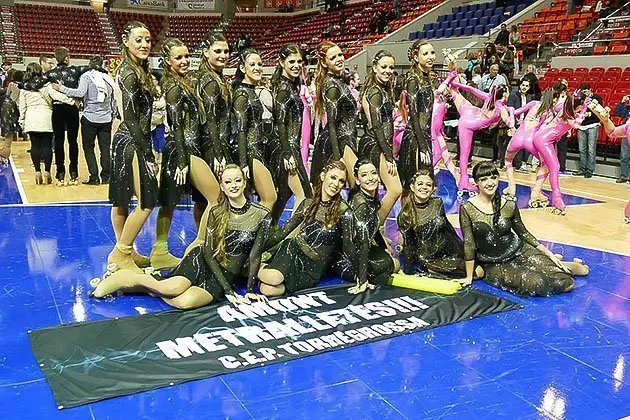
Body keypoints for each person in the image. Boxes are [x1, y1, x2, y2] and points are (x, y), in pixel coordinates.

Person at [90, 165, 271, 309]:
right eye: (228, 182)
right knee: (172, 289)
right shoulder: (216, 212)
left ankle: (147, 286)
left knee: (185, 302)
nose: (234, 185)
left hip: (225, 275)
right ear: (222, 186)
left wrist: (249, 290)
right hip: (203, 262)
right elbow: (207, 253)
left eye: (238, 180)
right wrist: (228, 291)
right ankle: (131, 278)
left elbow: (255, 254)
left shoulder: (261, 214)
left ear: (244, 183)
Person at [458, 162, 589, 296]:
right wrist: (469, 277)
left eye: (493, 177)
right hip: (494, 263)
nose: (490, 182)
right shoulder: (467, 208)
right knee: (538, 282)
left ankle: (560, 263)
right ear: (476, 182)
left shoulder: (509, 204)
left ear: (498, 178)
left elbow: (523, 233)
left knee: (566, 282)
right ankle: (564, 264)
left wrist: (548, 254)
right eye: (484, 179)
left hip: (519, 251)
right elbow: (469, 244)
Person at [153, 38, 221, 270]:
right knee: (213, 198)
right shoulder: (172, 86)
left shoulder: (184, 82)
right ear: (167, 61)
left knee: (172, 202)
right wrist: (183, 160)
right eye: (178, 57)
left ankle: (166, 249)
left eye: (186, 57)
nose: (184, 61)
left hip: (190, 149)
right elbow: (176, 125)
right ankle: (197, 246)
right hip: (182, 151)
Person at [258, 160, 354, 296]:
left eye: (341, 181)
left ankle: (257, 270)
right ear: (322, 176)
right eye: (333, 177)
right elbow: (283, 232)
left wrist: (362, 279)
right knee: (274, 278)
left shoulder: (344, 210)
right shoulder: (308, 204)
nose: (336, 184)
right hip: (293, 250)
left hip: (314, 269)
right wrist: (257, 249)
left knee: (268, 289)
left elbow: (349, 245)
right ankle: (254, 267)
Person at [108, 21, 160, 273]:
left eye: (148, 40)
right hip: (132, 141)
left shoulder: (138, 70)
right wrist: (147, 152)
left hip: (127, 139)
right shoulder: (129, 73)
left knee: (121, 202)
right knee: (147, 200)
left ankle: (128, 251)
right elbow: (130, 116)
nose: (144, 44)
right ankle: (121, 253)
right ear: (126, 42)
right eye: (139, 39)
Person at [398, 169, 484, 279]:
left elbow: (448, 229)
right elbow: (409, 245)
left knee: (479, 268)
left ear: (433, 188)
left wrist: (464, 250)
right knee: (477, 272)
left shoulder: (437, 202)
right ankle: (433, 270)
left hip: (450, 250)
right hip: (431, 257)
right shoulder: (405, 214)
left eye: (428, 185)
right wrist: (408, 271)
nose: (424, 187)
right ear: (412, 187)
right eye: (420, 184)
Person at [331, 160, 399, 293]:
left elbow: (373, 225)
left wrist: (383, 247)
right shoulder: (361, 204)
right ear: (357, 180)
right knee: (395, 264)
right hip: (347, 259)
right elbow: (361, 242)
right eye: (364, 175)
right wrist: (362, 280)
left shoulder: (370, 198)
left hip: (358, 251)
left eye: (373, 173)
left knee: (390, 258)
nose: (370, 178)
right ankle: (367, 277)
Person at [444, 72, 515, 195]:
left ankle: (451, 80)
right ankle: (464, 182)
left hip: (470, 111)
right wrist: (512, 112)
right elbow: (510, 124)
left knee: (455, 91)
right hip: (468, 124)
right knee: (465, 155)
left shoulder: (489, 97)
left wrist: (455, 83)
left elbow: (471, 89)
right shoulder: (501, 109)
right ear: (505, 94)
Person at [53, 55, 117, 185]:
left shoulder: (86, 76)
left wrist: (61, 88)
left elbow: (80, 93)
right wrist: (112, 114)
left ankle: (94, 177)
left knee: (89, 148)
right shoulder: (109, 78)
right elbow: (114, 99)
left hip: (90, 117)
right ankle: (106, 176)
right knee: (105, 149)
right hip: (106, 118)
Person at [270, 44, 313, 222]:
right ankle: (290, 238)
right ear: (282, 62)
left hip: (290, 146)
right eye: (292, 62)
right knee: (305, 196)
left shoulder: (291, 86)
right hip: (285, 149)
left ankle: (268, 233)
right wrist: (287, 153)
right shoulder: (283, 88)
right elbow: (279, 122)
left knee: (283, 196)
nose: (297, 65)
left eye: (299, 61)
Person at [358, 50, 402, 221]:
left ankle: (375, 232)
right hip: (376, 144)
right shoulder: (375, 92)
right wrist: (389, 155)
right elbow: (376, 126)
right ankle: (375, 229)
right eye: (384, 67)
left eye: (391, 67)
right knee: (395, 189)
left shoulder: (381, 89)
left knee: (373, 193)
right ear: (375, 67)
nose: (388, 71)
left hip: (379, 143)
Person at [530, 92, 591, 214]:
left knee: (546, 167)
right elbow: (576, 125)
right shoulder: (568, 113)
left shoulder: (564, 107)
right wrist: (584, 110)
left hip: (541, 136)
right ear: (578, 106)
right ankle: (557, 198)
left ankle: (535, 192)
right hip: (545, 140)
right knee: (555, 167)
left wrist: (581, 109)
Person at [232, 48, 277, 210]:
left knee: (250, 202)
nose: (257, 67)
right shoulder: (242, 94)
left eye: (260, 64)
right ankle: (258, 235)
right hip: (249, 152)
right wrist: (243, 163)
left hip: (256, 150)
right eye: (252, 64)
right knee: (270, 197)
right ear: (243, 68)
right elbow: (241, 130)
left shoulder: (251, 91)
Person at [194, 32, 232, 228]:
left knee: (204, 199)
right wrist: (218, 153)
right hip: (213, 144)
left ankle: (209, 241)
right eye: (217, 51)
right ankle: (209, 242)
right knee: (216, 199)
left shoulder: (216, 77)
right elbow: (211, 120)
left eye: (226, 51)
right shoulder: (210, 81)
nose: (223, 55)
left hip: (213, 142)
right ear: (205, 53)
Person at [312, 41, 359, 186]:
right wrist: (338, 157)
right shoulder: (332, 85)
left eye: (340, 55)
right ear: (325, 63)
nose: (339, 59)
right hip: (340, 141)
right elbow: (331, 123)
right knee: (355, 187)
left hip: (346, 139)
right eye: (333, 57)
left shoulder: (338, 81)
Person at [19, 63, 74, 185]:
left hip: (31, 117)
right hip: (46, 117)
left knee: (35, 146)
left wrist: (21, 121)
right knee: (47, 146)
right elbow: (57, 96)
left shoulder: (24, 88)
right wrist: (70, 101)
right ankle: (47, 171)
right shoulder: (46, 85)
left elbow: (22, 107)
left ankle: (37, 171)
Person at [398, 40, 437, 193]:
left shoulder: (426, 78)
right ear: (415, 57)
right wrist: (422, 145)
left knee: (427, 185)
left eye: (432, 52)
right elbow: (413, 114)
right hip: (415, 138)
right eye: (425, 53)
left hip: (424, 136)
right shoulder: (413, 79)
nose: (430, 56)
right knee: (415, 185)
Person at [576, 83, 603, 178]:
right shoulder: (580, 98)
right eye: (583, 92)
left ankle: (589, 170)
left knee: (591, 149)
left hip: (593, 125)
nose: (584, 93)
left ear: (590, 89)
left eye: (586, 91)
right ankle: (582, 169)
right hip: (581, 126)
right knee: (582, 149)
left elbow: (600, 111)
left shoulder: (597, 98)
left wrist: (589, 114)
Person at [507, 78, 534, 170]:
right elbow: (510, 110)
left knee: (527, 144)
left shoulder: (529, 97)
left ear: (529, 87)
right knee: (517, 144)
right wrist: (513, 123)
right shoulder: (513, 95)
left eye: (526, 86)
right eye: (523, 85)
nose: (524, 87)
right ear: (520, 85)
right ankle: (517, 164)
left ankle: (523, 162)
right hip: (515, 123)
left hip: (526, 124)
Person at [613, 94, 629, 183]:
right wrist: (622, 102)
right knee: (624, 156)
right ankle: (624, 176)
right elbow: (617, 112)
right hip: (626, 133)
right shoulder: (627, 108)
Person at [0, 87, 19, 166]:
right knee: (8, 129)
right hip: (8, 102)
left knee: (8, 129)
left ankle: (5, 152)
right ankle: (4, 151)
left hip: (6, 104)